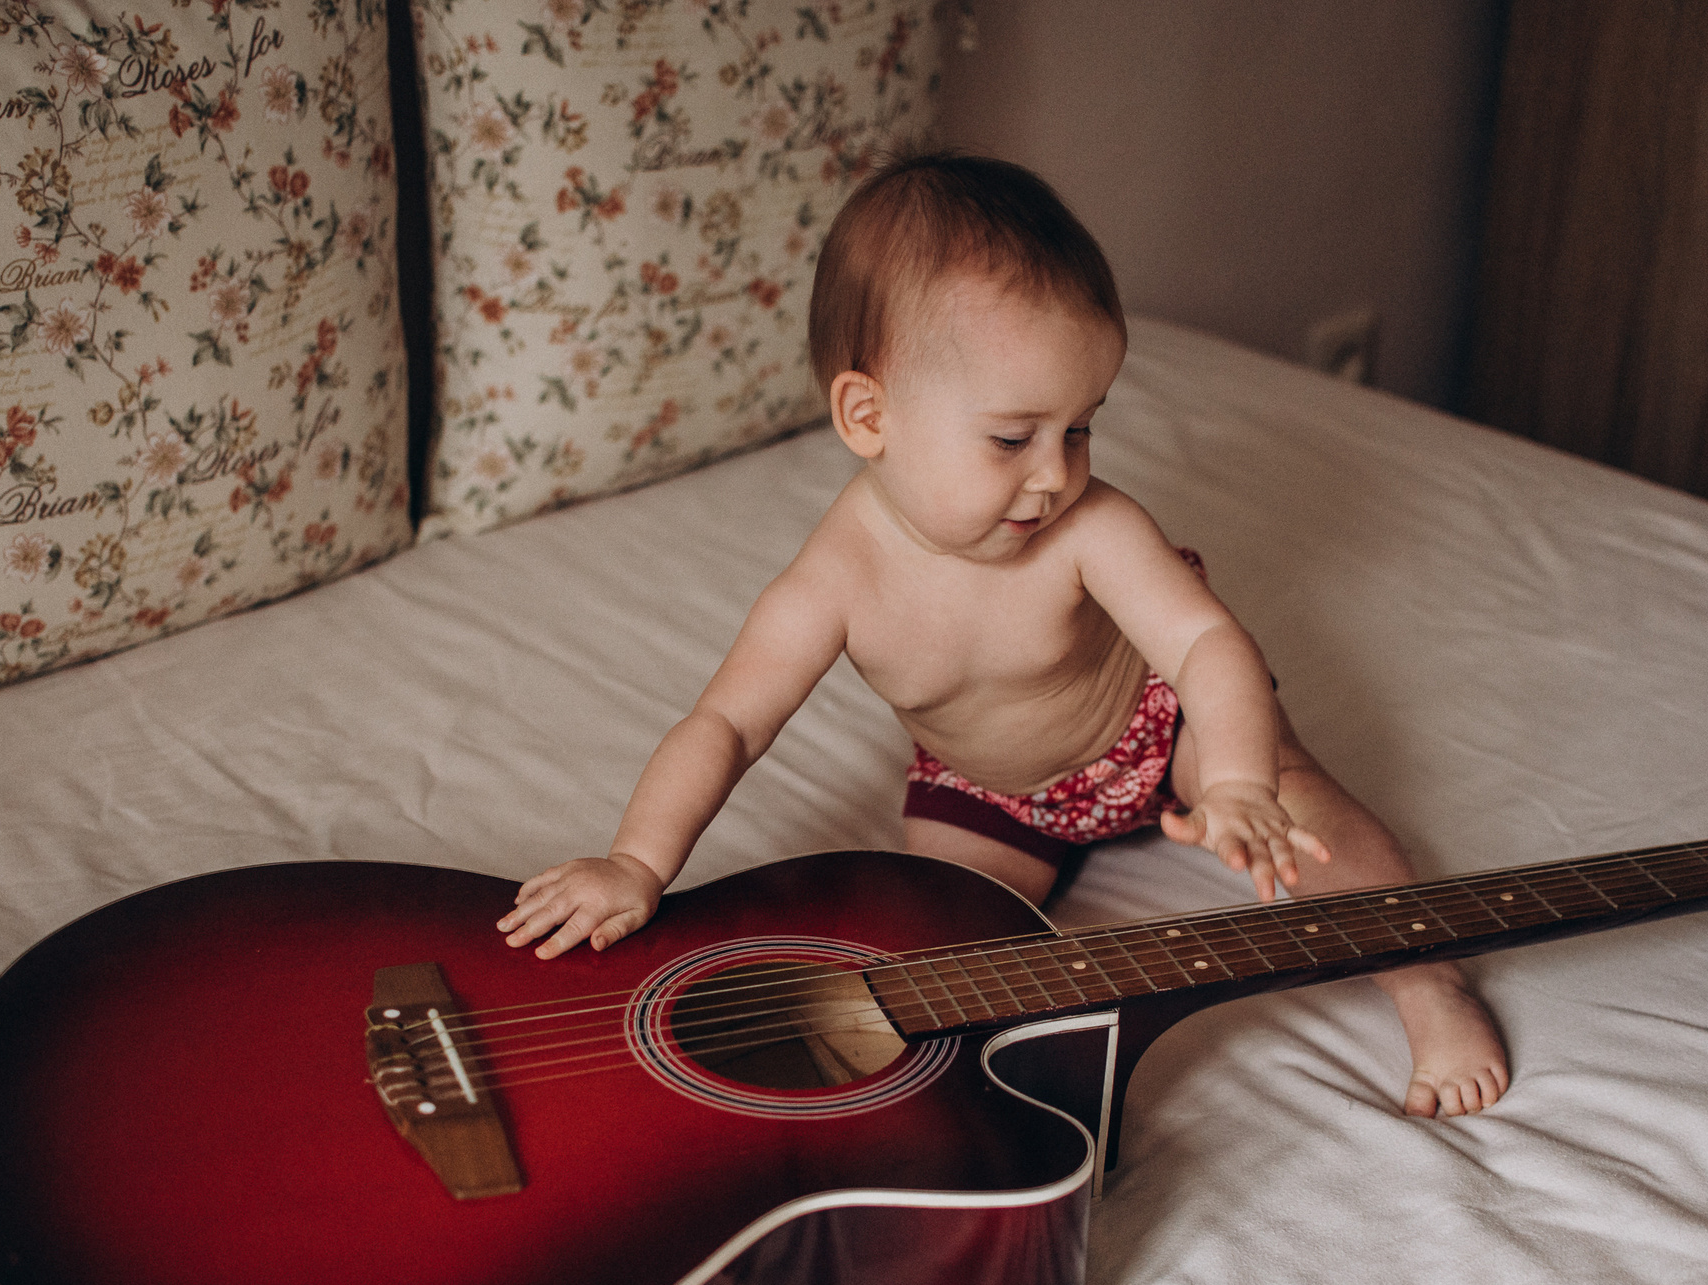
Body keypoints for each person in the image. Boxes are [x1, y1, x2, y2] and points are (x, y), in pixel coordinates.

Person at [498, 153, 1508, 1117]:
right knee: (937, 948)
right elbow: (724, 722)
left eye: (1080, 428)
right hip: (985, 786)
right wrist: (637, 861)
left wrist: (1238, 777)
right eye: (1011, 437)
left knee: (1307, 819)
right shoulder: (834, 580)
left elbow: (1206, 644)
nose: (1054, 473)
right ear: (866, 414)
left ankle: (1430, 984)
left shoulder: (1089, 528)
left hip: (1153, 728)